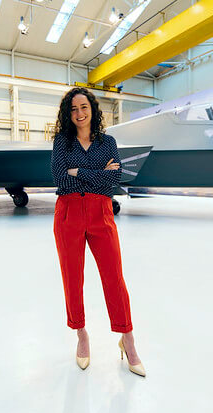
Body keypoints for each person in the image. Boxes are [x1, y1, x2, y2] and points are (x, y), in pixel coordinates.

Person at [50, 87, 145, 377]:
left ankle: (127, 338)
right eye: (73, 109)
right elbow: (58, 178)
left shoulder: (108, 142)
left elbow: (114, 179)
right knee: (72, 278)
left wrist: (78, 172)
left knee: (114, 278)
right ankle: (81, 335)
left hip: (101, 212)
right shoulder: (62, 142)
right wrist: (97, 174)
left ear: (93, 108)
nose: (79, 114)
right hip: (68, 214)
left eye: (83, 107)